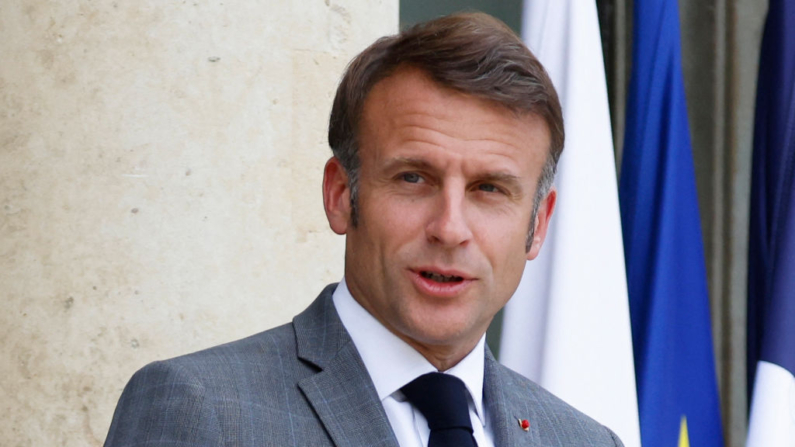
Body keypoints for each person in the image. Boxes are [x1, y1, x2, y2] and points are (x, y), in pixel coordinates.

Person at [104, 12, 623, 447]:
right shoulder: (201, 411)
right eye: (413, 178)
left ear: (538, 225)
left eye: (489, 189)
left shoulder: (584, 440)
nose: (450, 228)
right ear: (340, 195)